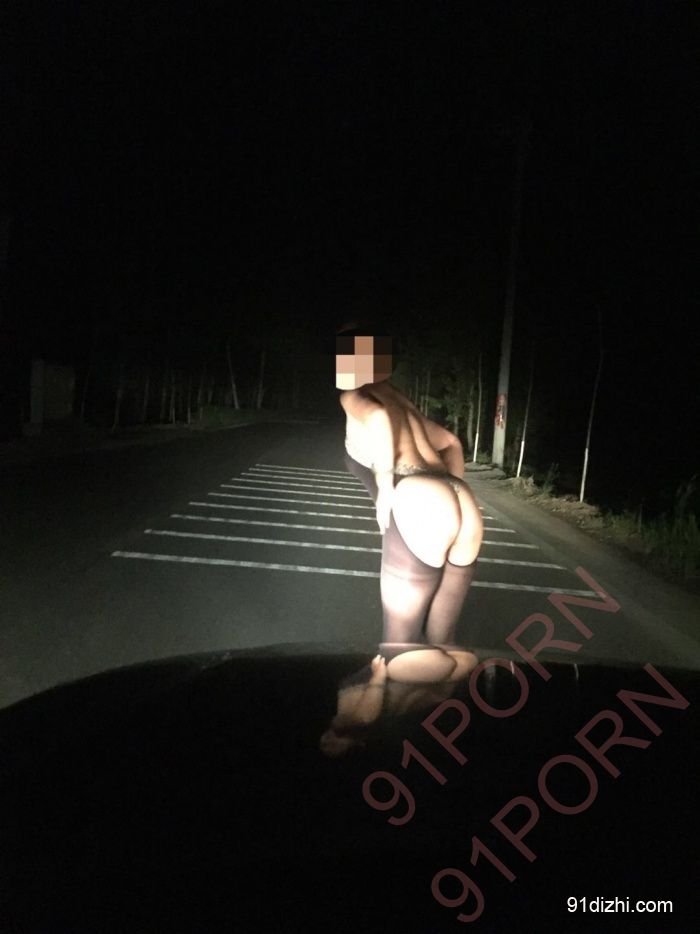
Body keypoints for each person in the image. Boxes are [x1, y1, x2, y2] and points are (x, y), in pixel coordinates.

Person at [335, 319, 484, 648]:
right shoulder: (401, 401)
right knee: (443, 641)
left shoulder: (353, 395)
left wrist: (385, 485)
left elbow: (377, 418)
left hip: (417, 497)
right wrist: (450, 498)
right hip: (460, 500)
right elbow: (452, 443)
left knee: (399, 647)